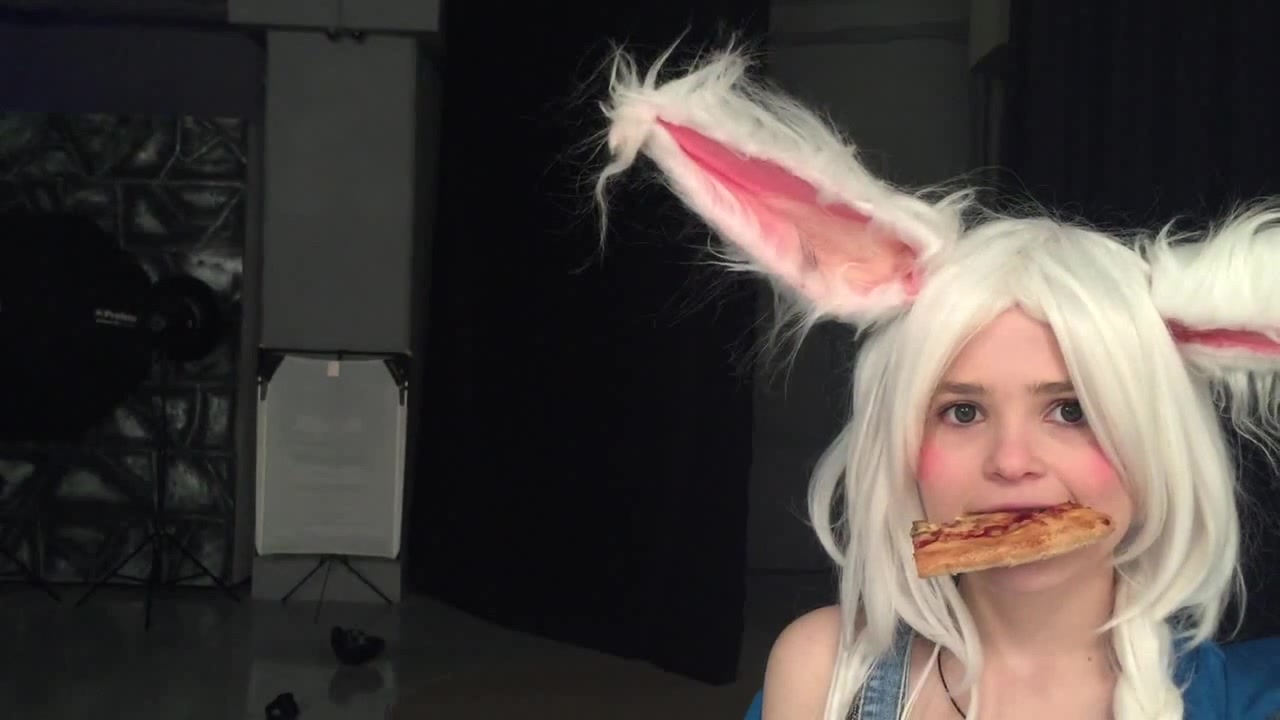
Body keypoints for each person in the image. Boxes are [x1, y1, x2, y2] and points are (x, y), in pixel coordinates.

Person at [590, 42, 1280, 720]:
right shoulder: (822, 674)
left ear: (1156, 444)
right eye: (962, 412)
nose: (1012, 462)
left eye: (1071, 410)